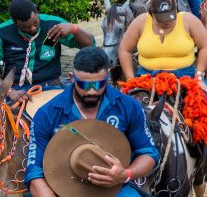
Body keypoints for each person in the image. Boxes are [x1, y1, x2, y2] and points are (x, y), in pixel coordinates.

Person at [118, 0, 207, 189]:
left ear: (176, 10)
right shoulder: (141, 22)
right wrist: (130, 80)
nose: (166, 22)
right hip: (147, 79)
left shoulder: (187, 20)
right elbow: (124, 50)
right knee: (120, 112)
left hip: (184, 77)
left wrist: (199, 75)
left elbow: (205, 45)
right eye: (161, 19)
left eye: (170, 17)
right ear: (151, 14)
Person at [26, 47, 159, 197]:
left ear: (107, 77)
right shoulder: (47, 114)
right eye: (84, 85)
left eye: (98, 85)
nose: (91, 91)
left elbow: (149, 153)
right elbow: (34, 170)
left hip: (115, 187)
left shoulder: (128, 107)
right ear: (71, 77)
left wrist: (125, 174)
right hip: (59, 189)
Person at [0, 0, 94, 100]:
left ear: (36, 11)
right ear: (15, 23)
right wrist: (9, 91)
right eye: (25, 27)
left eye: (35, 22)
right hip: (15, 89)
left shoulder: (53, 25)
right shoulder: (3, 32)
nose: (33, 28)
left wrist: (74, 29)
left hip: (50, 86)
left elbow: (90, 45)